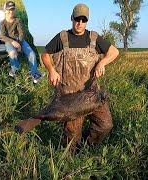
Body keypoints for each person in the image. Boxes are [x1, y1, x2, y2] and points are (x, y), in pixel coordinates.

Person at [41, 3, 119, 149]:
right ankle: (71, 161)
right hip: (70, 98)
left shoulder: (94, 38)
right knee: (71, 136)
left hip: (92, 95)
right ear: (72, 18)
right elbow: (45, 54)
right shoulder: (62, 37)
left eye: (83, 20)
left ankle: (88, 144)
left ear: (87, 21)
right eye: (77, 19)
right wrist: (51, 70)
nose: (80, 23)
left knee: (105, 125)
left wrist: (102, 63)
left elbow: (114, 52)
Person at [0, 1, 43, 83]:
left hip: (20, 40)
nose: (11, 12)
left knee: (32, 54)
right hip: (9, 41)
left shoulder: (17, 20)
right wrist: (13, 42)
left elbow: (21, 33)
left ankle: (34, 74)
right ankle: (15, 69)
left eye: (12, 9)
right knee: (12, 53)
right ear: (5, 11)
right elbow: (3, 36)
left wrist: (19, 43)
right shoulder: (3, 23)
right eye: (8, 10)